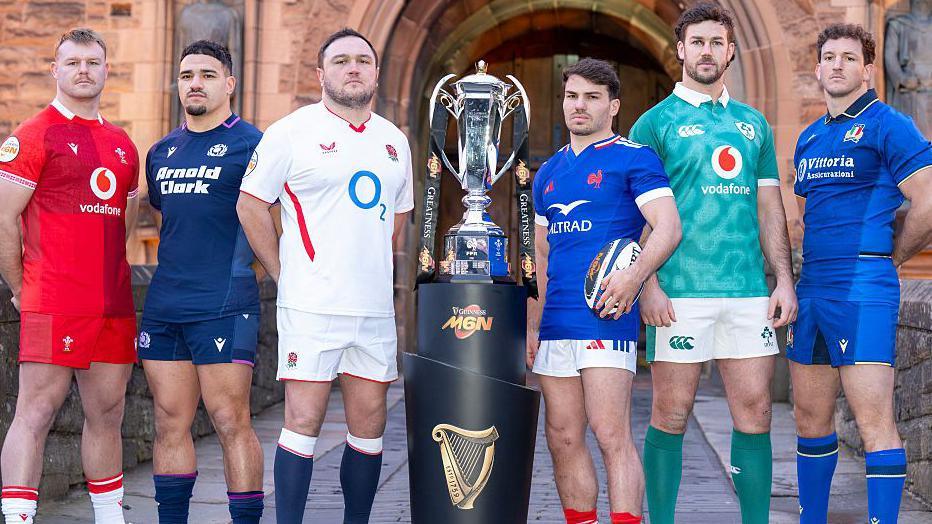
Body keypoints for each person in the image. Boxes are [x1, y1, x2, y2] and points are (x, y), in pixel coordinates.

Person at [236, 28, 413, 524]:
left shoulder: (394, 140)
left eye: (362, 60)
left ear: (376, 72)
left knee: (370, 426)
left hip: (372, 309)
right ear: (320, 74)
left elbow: (398, 214)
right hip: (311, 305)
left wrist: (366, 261)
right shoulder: (290, 132)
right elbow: (250, 205)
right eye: (340, 61)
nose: (352, 68)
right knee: (303, 421)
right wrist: (284, 273)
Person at [629, 4, 797, 523]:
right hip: (679, 292)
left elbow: (769, 207)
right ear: (681, 49)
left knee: (756, 413)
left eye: (716, 43)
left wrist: (784, 280)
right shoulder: (653, 123)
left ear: (730, 52)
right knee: (671, 414)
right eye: (697, 42)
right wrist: (646, 284)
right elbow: (633, 215)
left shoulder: (753, 124)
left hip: (747, 292)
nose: (707, 51)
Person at [527, 57, 681, 524]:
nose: (580, 105)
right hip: (556, 323)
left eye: (592, 97)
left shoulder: (634, 157)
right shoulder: (547, 172)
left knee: (611, 433)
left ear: (612, 106)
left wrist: (635, 279)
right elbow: (541, 257)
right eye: (572, 96)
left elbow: (668, 227)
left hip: (605, 318)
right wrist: (532, 326)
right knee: (562, 437)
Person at [788, 23, 931, 524]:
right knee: (809, 419)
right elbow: (806, 212)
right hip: (812, 289)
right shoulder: (809, 136)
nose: (838, 65)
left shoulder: (889, 124)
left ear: (867, 70)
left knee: (874, 423)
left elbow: (927, 202)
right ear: (818, 68)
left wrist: (893, 257)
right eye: (830, 57)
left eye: (849, 58)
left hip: (863, 288)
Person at [0, 28, 140, 524]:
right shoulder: (33, 134)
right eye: (73, 62)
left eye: (93, 62)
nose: (84, 70)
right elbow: (4, 219)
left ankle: (110, 518)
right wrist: (20, 287)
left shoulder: (123, 145)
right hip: (54, 298)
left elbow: (125, 223)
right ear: (54, 70)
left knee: (109, 414)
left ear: (106, 70)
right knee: (35, 413)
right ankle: (19, 519)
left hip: (112, 302)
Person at [138, 40, 264, 523]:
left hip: (224, 303)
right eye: (187, 75)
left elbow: (272, 224)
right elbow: (170, 221)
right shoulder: (160, 152)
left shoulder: (253, 145)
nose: (195, 83)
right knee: (169, 422)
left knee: (231, 421)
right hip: (165, 304)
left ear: (229, 83)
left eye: (208, 75)